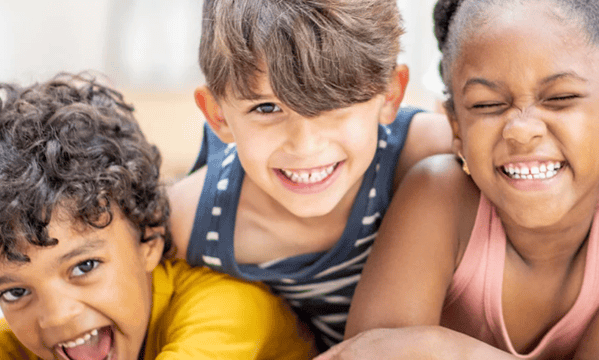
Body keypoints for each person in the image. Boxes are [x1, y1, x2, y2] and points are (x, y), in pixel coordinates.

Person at [321, 0, 599, 359]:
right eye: (487, 105)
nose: (521, 131)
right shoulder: (438, 194)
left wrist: (444, 348)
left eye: (560, 98)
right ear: (456, 127)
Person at [167, 0, 453, 349]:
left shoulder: (429, 154)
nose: (304, 146)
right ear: (219, 115)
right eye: (267, 107)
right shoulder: (193, 222)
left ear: (390, 94)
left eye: (334, 102)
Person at [0, 76, 314, 360]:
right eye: (14, 292)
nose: (56, 318)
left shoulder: (227, 309)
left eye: (84, 267)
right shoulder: (9, 343)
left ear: (149, 239)